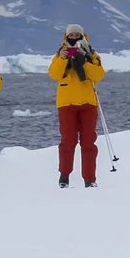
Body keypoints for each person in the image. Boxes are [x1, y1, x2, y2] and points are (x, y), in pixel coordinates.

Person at [50, 24, 104, 186]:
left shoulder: (92, 55)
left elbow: (98, 75)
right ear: (66, 37)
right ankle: (64, 176)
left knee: (88, 142)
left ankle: (89, 179)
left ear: (82, 36)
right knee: (68, 141)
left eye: (76, 34)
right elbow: (54, 74)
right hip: (67, 103)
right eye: (71, 35)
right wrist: (63, 59)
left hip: (88, 102)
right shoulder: (59, 55)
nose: (74, 37)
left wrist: (84, 62)